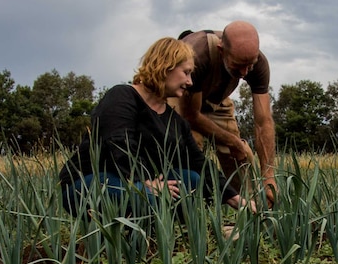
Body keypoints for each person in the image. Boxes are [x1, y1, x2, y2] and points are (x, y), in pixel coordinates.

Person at [59, 37, 250, 219]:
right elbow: (119, 145)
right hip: (89, 182)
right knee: (149, 198)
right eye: (186, 72)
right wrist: (145, 182)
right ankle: (141, 243)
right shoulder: (121, 97)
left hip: (141, 183)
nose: (190, 82)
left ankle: (177, 237)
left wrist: (234, 198)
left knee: (192, 179)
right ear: (166, 66)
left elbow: (198, 162)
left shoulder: (176, 122)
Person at [169, 20, 277, 208]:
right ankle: (190, 211)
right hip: (184, 101)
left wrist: (268, 176)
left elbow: (263, 122)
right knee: (189, 146)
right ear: (221, 50)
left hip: (217, 99)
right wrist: (233, 141)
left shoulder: (258, 63)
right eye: (237, 66)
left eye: (249, 65)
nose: (244, 73)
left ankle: (249, 209)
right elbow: (191, 115)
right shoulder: (197, 55)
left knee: (238, 154)